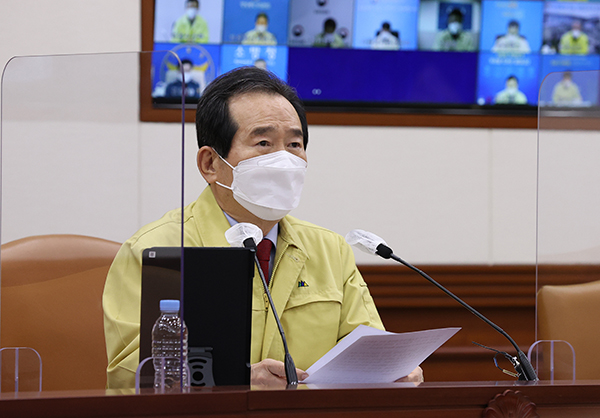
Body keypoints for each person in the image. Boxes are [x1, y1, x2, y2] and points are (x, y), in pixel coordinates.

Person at [103, 67, 423, 388]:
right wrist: (235, 380)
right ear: (210, 164)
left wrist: (394, 371)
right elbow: (128, 376)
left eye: (294, 144)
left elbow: (370, 351)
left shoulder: (330, 250)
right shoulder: (156, 250)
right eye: (264, 142)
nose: (284, 160)